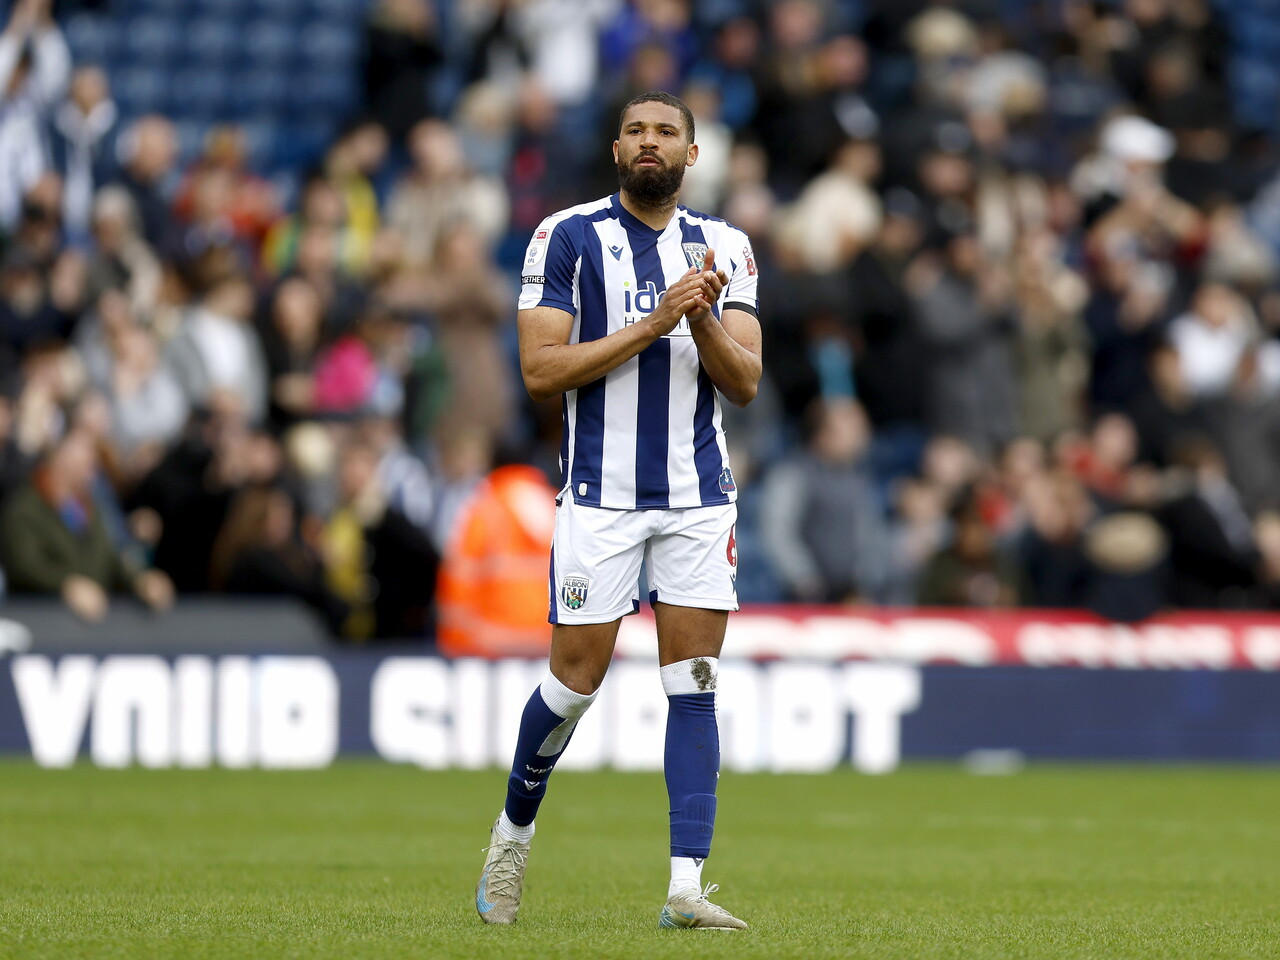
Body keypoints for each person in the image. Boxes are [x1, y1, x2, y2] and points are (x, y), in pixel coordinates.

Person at [475, 91, 761, 931]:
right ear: (615, 147)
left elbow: (743, 383)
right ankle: (512, 832)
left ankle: (685, 887)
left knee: (694, 684)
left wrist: (700, 315)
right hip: (599, 496)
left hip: (698, 499)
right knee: (574, 684)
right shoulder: (565, 236)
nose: (650, 142)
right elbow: (540, 370)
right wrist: (653, 322)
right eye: (637, 130)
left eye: (666, 131)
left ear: (691, 154)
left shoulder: (727, 247)